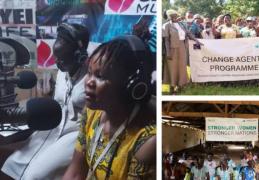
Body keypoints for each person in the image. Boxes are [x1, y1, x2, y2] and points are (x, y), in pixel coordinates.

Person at [1, 23, 89, 180]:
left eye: (62, 59)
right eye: (56, 57)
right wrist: (46, 96)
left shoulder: (92, 78)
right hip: (53, 127)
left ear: (79, 56)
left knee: (34, 175)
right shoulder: (62, 73)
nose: (57, 63)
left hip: (75, 133)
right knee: (11, 164)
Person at [62, 35, 156, 179]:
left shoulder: (148, 140)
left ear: (130, 84)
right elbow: (76, 171)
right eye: (89, 73)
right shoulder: (91, 113)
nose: (89, 82)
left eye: (100, 76)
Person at [163, 9, 202, 94]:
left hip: (182, 48)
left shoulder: (181, 24)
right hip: (172, 49)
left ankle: (180, 86)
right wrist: (168, 52)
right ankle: (172, 87)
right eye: (172, 16)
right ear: (169, 17)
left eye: (175, 15)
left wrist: (197, 41)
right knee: (172, 68)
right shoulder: (166, 25)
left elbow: (189, 34)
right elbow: (166, 40)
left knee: (182, 68)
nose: (174, 17)